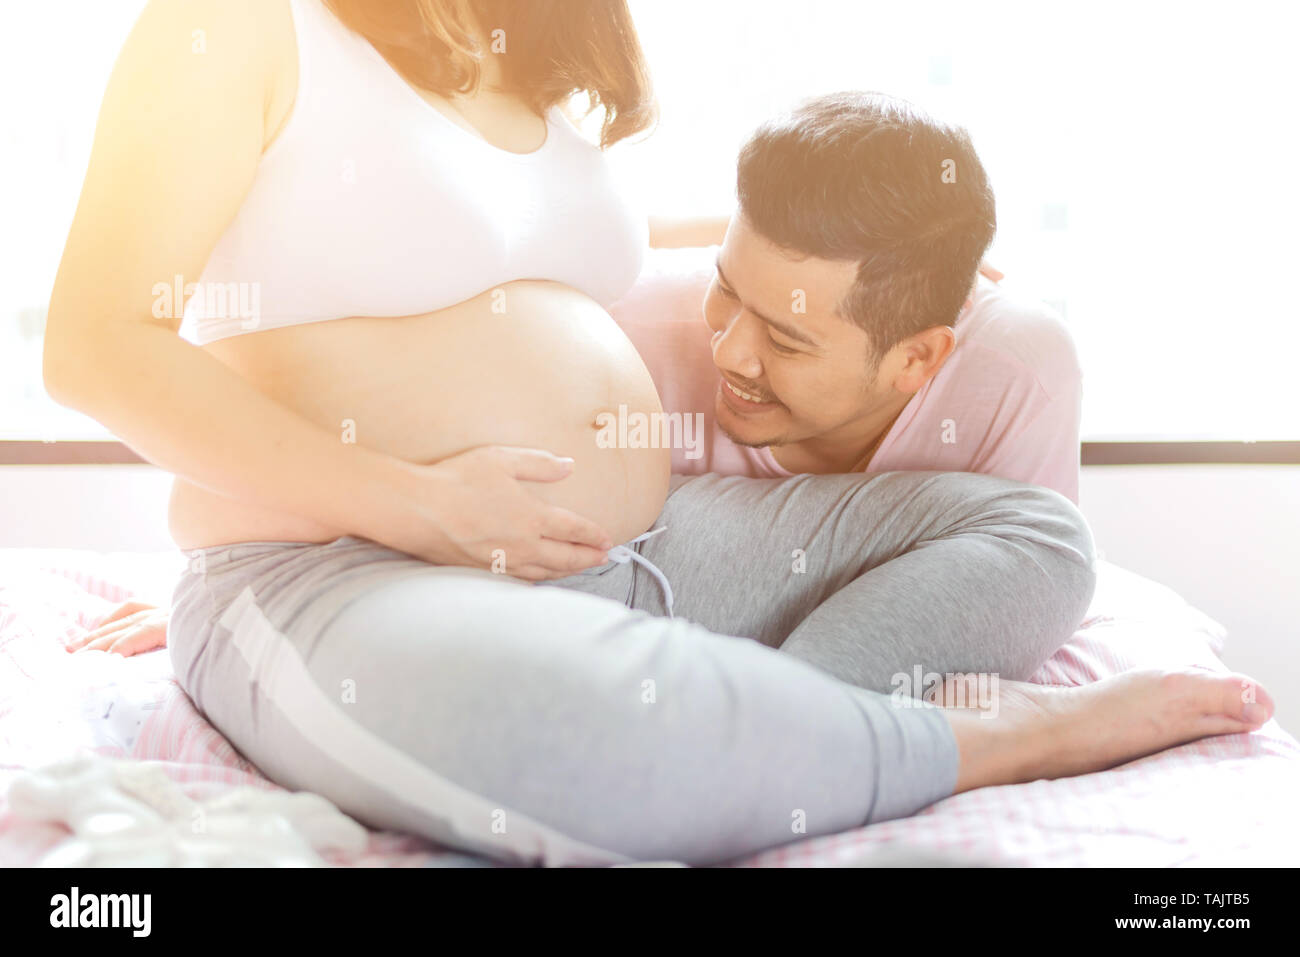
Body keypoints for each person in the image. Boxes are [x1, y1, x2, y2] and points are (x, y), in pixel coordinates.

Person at [48, 0, 1273, 865]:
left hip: (640, 550)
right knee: (609, 750)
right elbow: (95, 345)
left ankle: (782, 734)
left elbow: (519, 256)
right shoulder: (239, 23)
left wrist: (915, 272)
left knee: (1034, 535)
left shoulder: (521, 47)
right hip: (364, 569)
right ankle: (958, 742)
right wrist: (404, 501)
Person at [612, 92, 1082, 502]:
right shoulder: (621, 336)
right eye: (727, 288)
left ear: (917, 358)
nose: (727, 352)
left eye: (783, 340)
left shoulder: (1018, 377)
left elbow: (1030, 577)